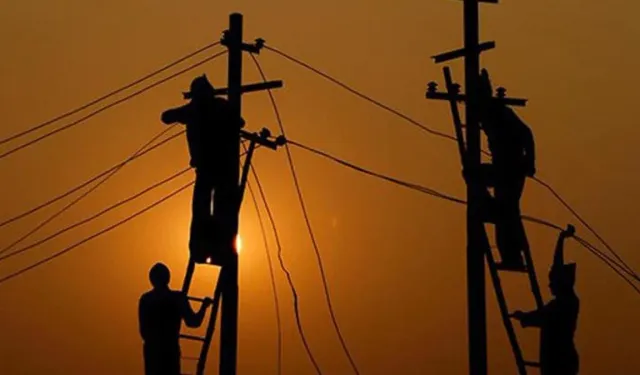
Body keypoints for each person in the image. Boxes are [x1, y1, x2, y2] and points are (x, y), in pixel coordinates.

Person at [161, 75, 245, 263]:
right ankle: (213, 249)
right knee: (215, 210)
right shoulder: (213, 107)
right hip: (220, 169)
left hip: (213, 169)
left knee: (204, 211)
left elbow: (166, 116)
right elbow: (240, 122)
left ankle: (207, 249)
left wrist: (190, 111)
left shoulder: (198, 109)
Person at [478, 69, 536, 271]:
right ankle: (490, 208)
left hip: (511, 169)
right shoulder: (485, 113)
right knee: (506, 210)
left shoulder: (500, 112)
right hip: (502, 168)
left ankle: (512, 255)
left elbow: (526, 133)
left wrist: (530, 161)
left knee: (506, 210)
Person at [512, 225, 579, 375]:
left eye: (553, 282)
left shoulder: (564, 305)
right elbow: (557, 264)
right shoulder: (566, 302)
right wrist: (561, 240)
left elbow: (542, 317)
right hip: (559, 360)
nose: (550, 285)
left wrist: (523, 316)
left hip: (560, 363)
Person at [139, 262, 213, 375]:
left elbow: (143, 332)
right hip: (169, 353)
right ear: (168, 277)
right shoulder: (177, 298)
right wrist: (204, 306)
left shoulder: (145, 300)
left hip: (152, 354)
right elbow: (193, 322)